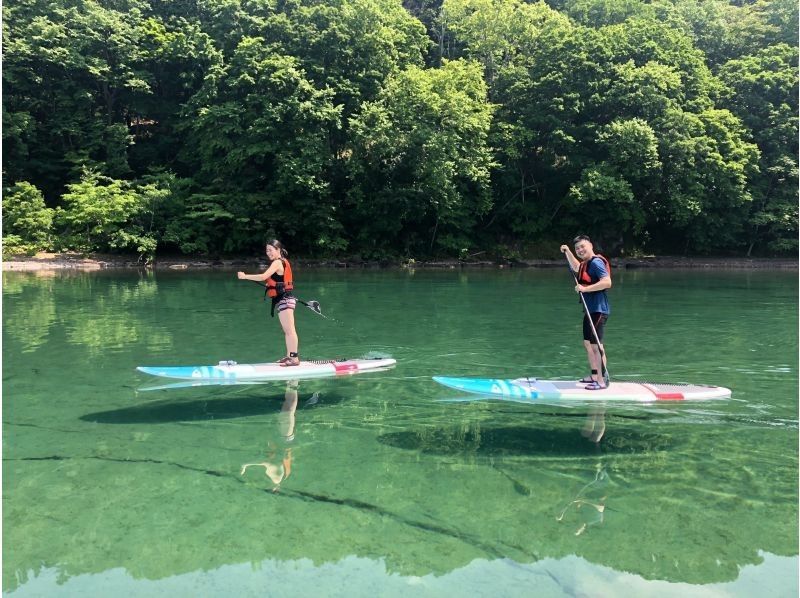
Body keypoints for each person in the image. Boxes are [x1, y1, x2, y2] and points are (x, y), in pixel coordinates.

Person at [560, 235, 611, 389]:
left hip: (598, 310)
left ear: (590, 245)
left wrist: (584, 288)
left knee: (597, 346)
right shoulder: (585, 264)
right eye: (577, 248)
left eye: (582, 246)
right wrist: (568, 251)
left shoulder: (596, 262)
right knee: (588, 344)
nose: (580, 250)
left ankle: (602, 382)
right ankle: (594, 375)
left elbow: (607, 282)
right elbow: (577, 267)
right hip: (590, 309)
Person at [238, 240, 300, 366]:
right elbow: (278, 280)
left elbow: (262, 276)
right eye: (267, 250)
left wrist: (245, 276)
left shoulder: (278, 262)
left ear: (278, 250)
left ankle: (294, 359)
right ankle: (289, 356)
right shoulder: (281, 262)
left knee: (290, 330)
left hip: (286, 300)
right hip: (283, 300)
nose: (268, 253)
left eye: (270, 250)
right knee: (287, 330)